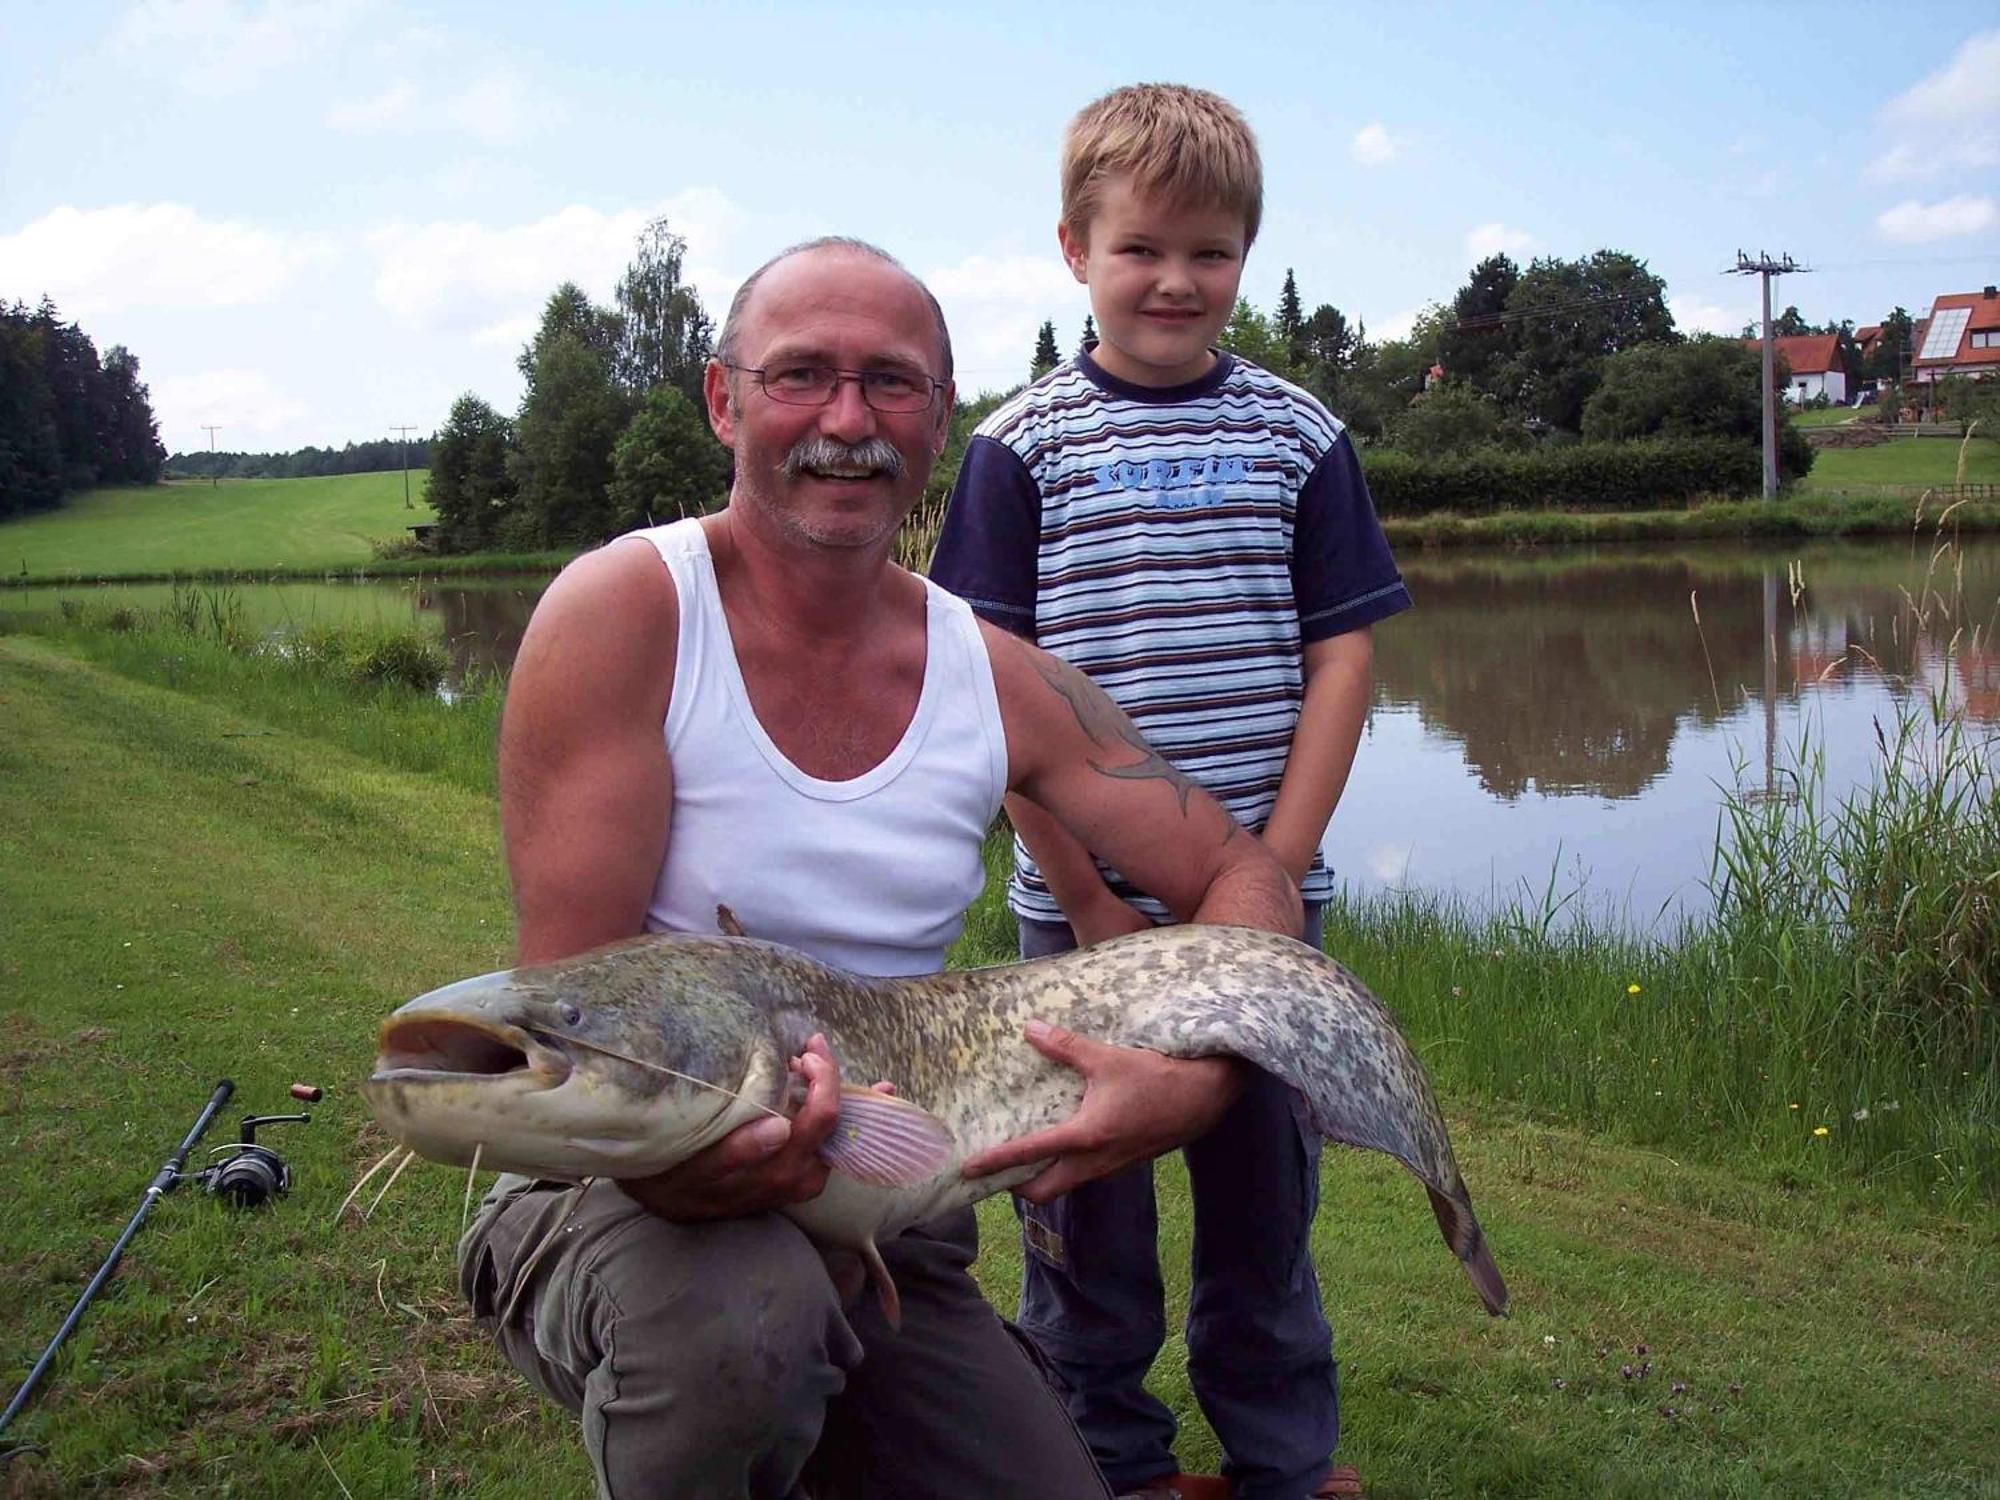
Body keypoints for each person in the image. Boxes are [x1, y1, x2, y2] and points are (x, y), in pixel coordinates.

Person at [456, 235, 1306, 1500]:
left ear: (939, 416)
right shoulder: (624, 614)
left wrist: (1195, 1083)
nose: (847, 422)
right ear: (722, 399)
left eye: (891, 383)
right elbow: (582, 1025)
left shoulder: (996, 675)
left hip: (882, 1209)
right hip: (613, 1181)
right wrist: (702, 1170)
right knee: (744, 1328)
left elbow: (1243, 878)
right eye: (801, 376)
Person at [928, 84, 1412, 1500]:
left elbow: (1344, 651)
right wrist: (1084, 896)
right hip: (1077, 922)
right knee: (1084, 1221)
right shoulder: (1019, 447)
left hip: (1261, 914)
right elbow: (991, 697)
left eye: (1211, 251)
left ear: (1245, 259)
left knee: (1265, 1219)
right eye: (1142, 248)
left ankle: (1282, 1465)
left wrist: (1277, 864)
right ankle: (1109, 1466)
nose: (1176, 280)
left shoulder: (1300, 433)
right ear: (1074, 247)